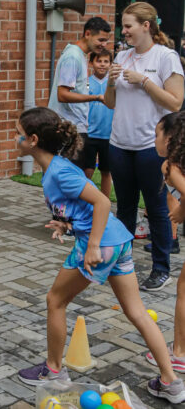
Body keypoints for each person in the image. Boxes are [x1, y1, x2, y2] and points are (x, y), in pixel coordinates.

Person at [15, 107, 185, 404]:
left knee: (55, 301)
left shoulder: (59, 171)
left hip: (103, 243)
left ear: (32, 140)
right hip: (119, 241)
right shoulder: (55, 169)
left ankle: (54, 371)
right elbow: (83, 208)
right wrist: (66, 225)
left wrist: (92, 245)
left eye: (17, 133)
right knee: (137, 312)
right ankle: (171, 382)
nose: (14, 138)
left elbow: (103, 202)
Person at [104, 2, 184, 291]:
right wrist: (111, 84)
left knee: (157, 208)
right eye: (123, 26)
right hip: (119, 144)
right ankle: (120, 263)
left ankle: (161, 269)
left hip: (151, 147)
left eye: (128, 26)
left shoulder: (166, 57)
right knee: (124, 208)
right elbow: (110, 103)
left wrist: (144, 81)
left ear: (146, 26)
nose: (123, 31)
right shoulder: (122, 56)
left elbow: (175, 102)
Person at [145, 111, 185, 378]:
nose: (154, 139)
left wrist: (181, 212)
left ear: (169, 138)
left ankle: (179, 353)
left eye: (156, 133)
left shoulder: (171, 166)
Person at [48, 17, 111, 169]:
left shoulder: (79, 55)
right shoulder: (73, 57)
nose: (104, 45)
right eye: (101, 40)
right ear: (88, 34)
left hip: (76, 127)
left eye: (106, 41)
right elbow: (62, 95)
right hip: (67, 128)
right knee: (65, 179)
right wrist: (96, 97)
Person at [85, 49, 114, 198]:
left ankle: (105, 204)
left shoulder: (113, 84)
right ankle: (84, 204)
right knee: (87, 171)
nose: (102, 65)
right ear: (91, 63)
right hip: (89, 134)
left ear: (110, 63)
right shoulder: (87, 82)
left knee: (106, 172)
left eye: (106, 61)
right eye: (99, 61)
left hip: (109, 135)